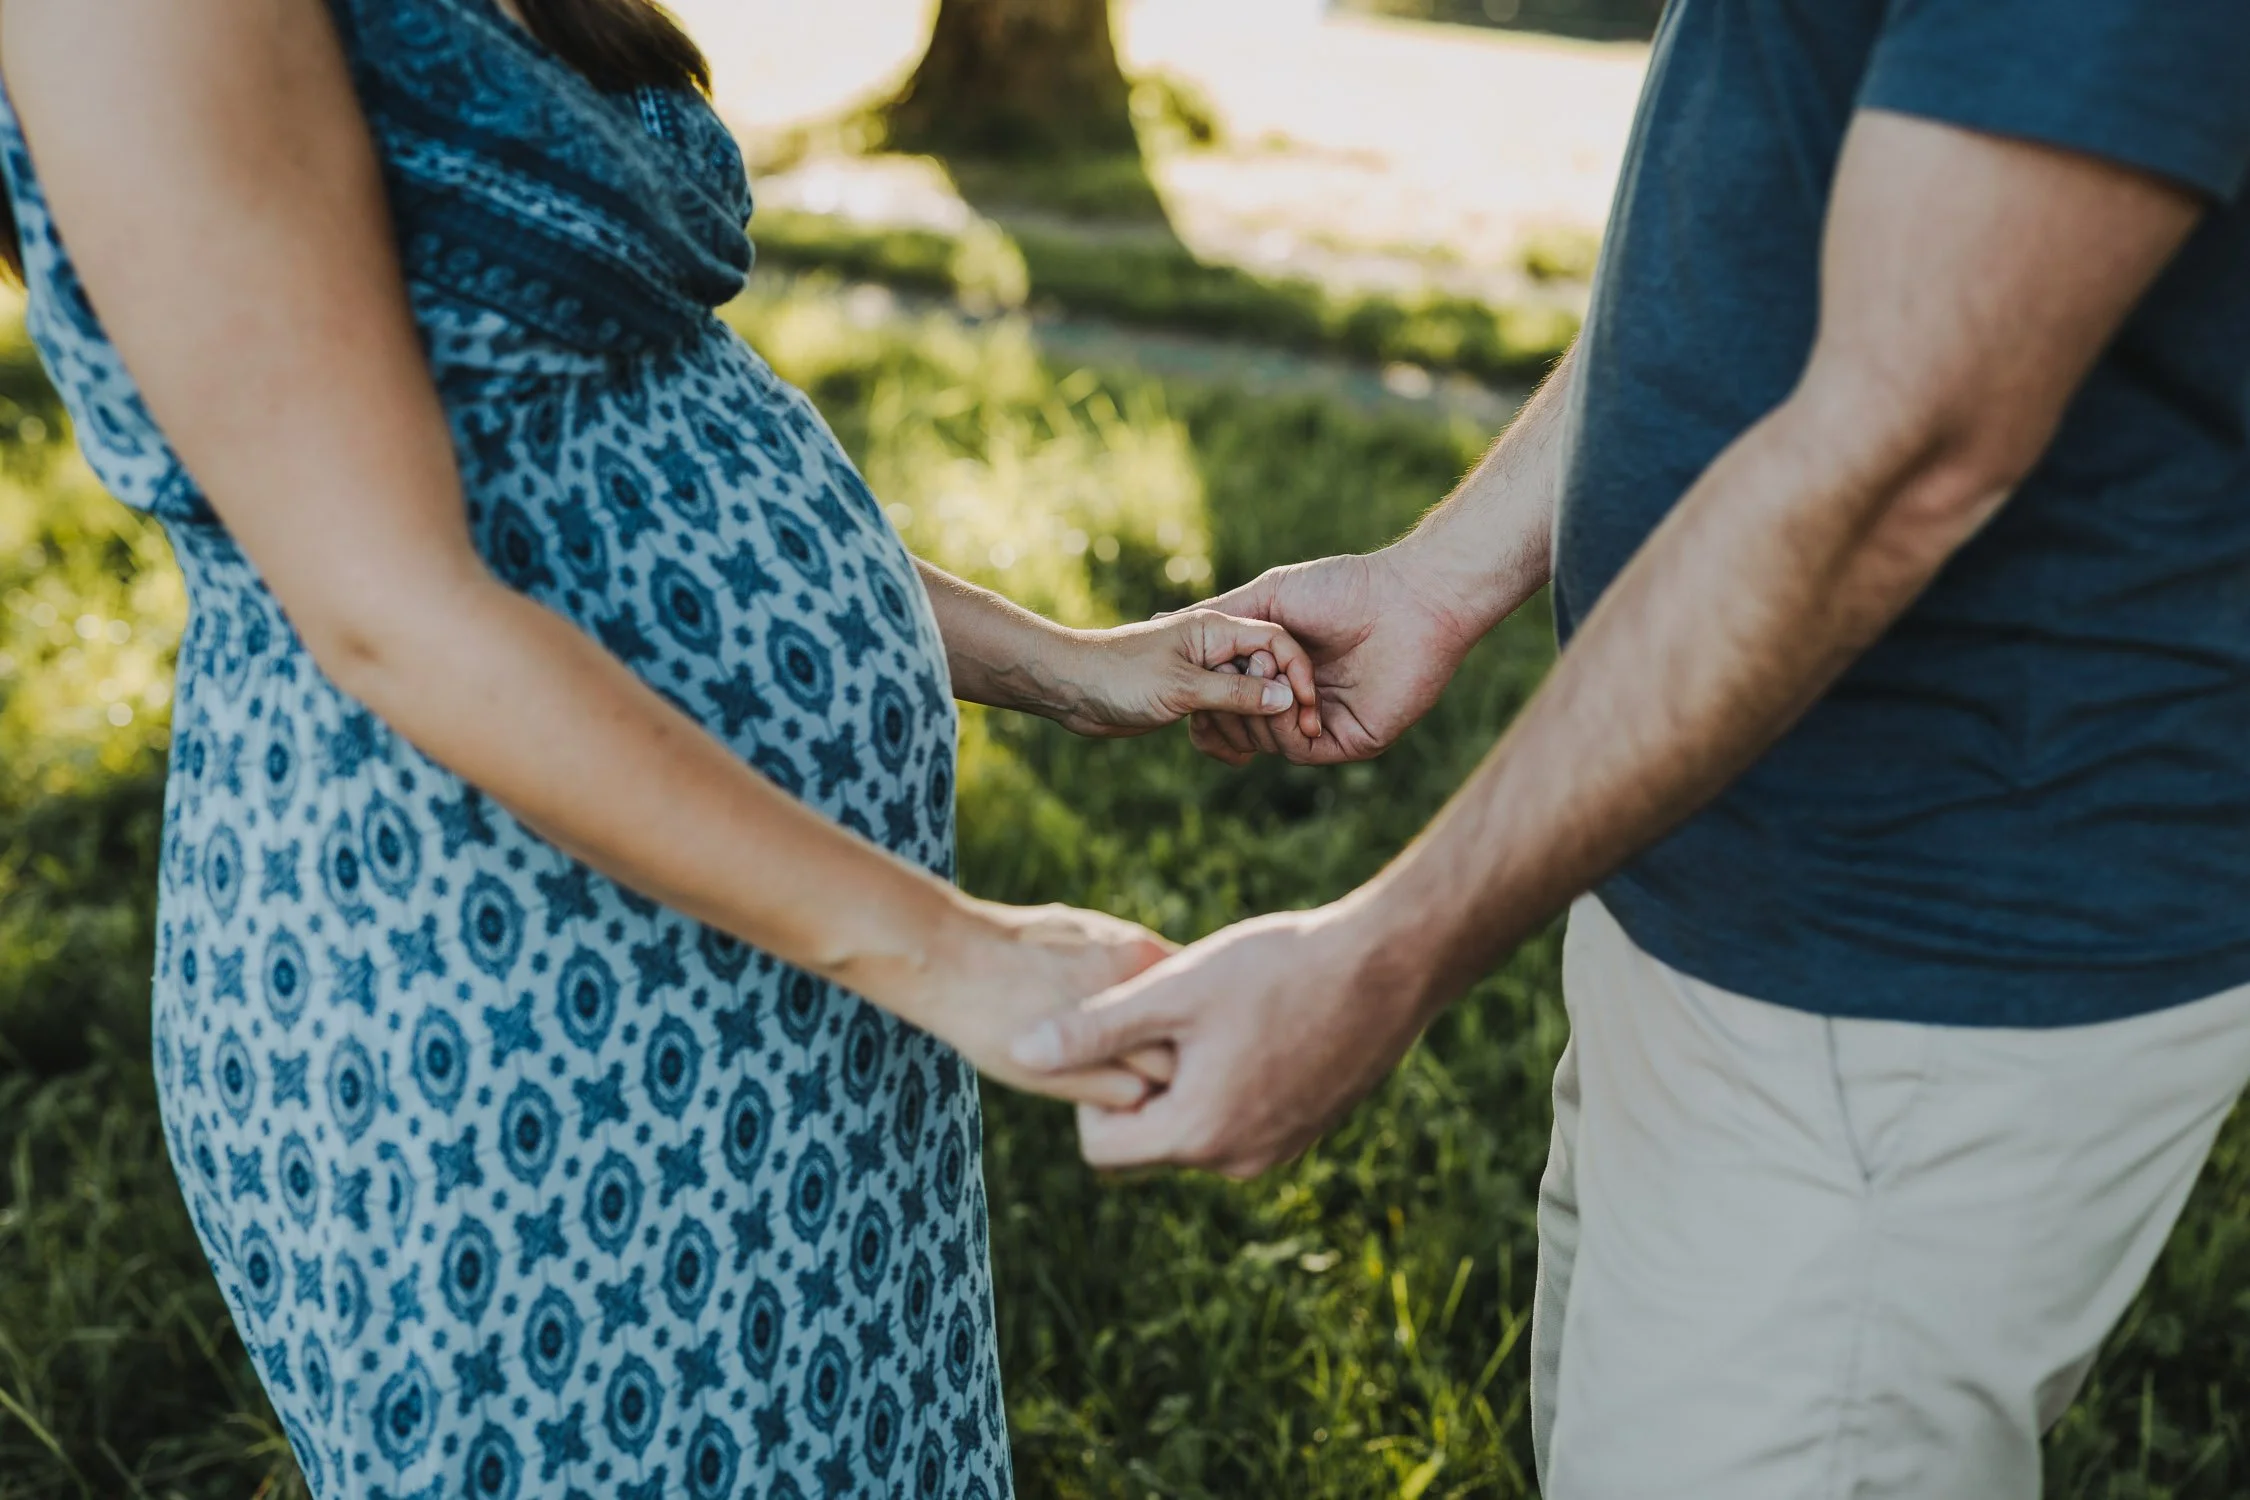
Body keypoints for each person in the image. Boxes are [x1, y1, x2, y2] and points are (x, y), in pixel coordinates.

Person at [0, 1, 1321, 1495]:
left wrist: (1071, 668)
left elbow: (627, 438)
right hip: (496, 981)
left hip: (800, 965)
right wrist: (961, 957)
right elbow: (387, 605)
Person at [1011, 2, 2250, 1495]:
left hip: (1920, 931)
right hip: (1716, 861)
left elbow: (1908, 438)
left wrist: (1381, 956)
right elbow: (1766, 218)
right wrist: (1444, 570)